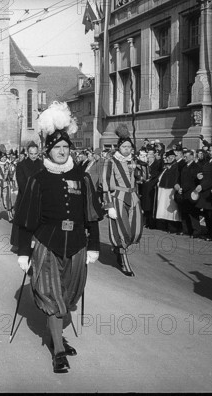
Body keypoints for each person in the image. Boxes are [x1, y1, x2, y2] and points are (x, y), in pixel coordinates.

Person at [15, 101, 102, 373]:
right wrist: (23, 251)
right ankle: (59, 352)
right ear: (48, 150)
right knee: (52, 298)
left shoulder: (81, 177)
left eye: (65, 148)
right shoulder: (38, 179)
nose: (62, 152)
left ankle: (56, 337)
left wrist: (94, 246)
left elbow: (91, 215)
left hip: (76, 245)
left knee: (68, 295)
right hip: (46, 245)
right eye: (57, 148)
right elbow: (26, 217)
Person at [102, 124, 144, 276]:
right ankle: (124, 262)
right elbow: (105, 183)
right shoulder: (111, 161)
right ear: (119, 147)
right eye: (124, 146)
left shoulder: (135, 160)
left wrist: (139, 167)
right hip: (118, 198)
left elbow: (143, 178)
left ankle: (118, 249)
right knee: (122, 230)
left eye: (129, 147)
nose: (127, 149)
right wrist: (109, 205)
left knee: (135, 231)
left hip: (133, 198)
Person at [10, 142, 44, 248]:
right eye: (31, 153)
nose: (33, 156)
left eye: (35, 153)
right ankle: (19, 243)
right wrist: (32, 192)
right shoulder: (21, 165)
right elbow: (22, 182)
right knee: (23, 222)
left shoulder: (42, 164)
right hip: (25, 197)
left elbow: (44, 181)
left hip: (39, 198)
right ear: (27, 153)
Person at [193, 142, 212, 241]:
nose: (210, 152)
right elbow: (204, 173)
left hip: (211, 192)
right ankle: (209, 232)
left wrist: (202, 186)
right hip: (205, 192)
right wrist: (199, 175)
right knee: (206, 214)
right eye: (209, 150)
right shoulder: (208, 161)